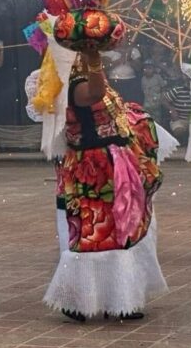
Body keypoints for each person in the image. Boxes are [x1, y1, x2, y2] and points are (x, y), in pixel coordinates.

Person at [44, 49, 167, 321]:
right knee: (93, 232)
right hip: (93, 168)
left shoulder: (85, 78)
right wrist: (94, 57)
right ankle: (78, 299)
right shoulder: (75, 86)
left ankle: (119, 299)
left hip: (112, 166)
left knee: (119, 231)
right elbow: (97, 93)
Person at [102, 41, 143, 105]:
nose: (120, 41)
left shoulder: (133, 51)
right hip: (114, 81)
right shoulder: (109, 51)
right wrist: (121, 59)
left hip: (131, 81)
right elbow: (105, 67)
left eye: (123, 38)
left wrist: (129, 58)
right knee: (116, 103)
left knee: (131, 103)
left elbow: (139, 68)